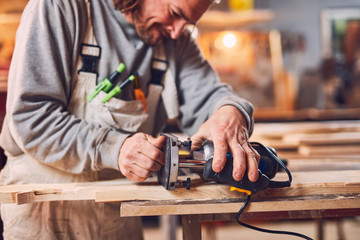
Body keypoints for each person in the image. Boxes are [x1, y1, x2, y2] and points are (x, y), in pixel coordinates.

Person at [0, 0, 260, 239]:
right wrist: (117, 148)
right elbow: (31, 118)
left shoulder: (174, 39)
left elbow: (210, 98)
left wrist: (230, 111)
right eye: (175, 13)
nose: (176, 31)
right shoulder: (62, 7)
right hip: (43, 213)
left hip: (117, 217)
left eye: (187, 23)